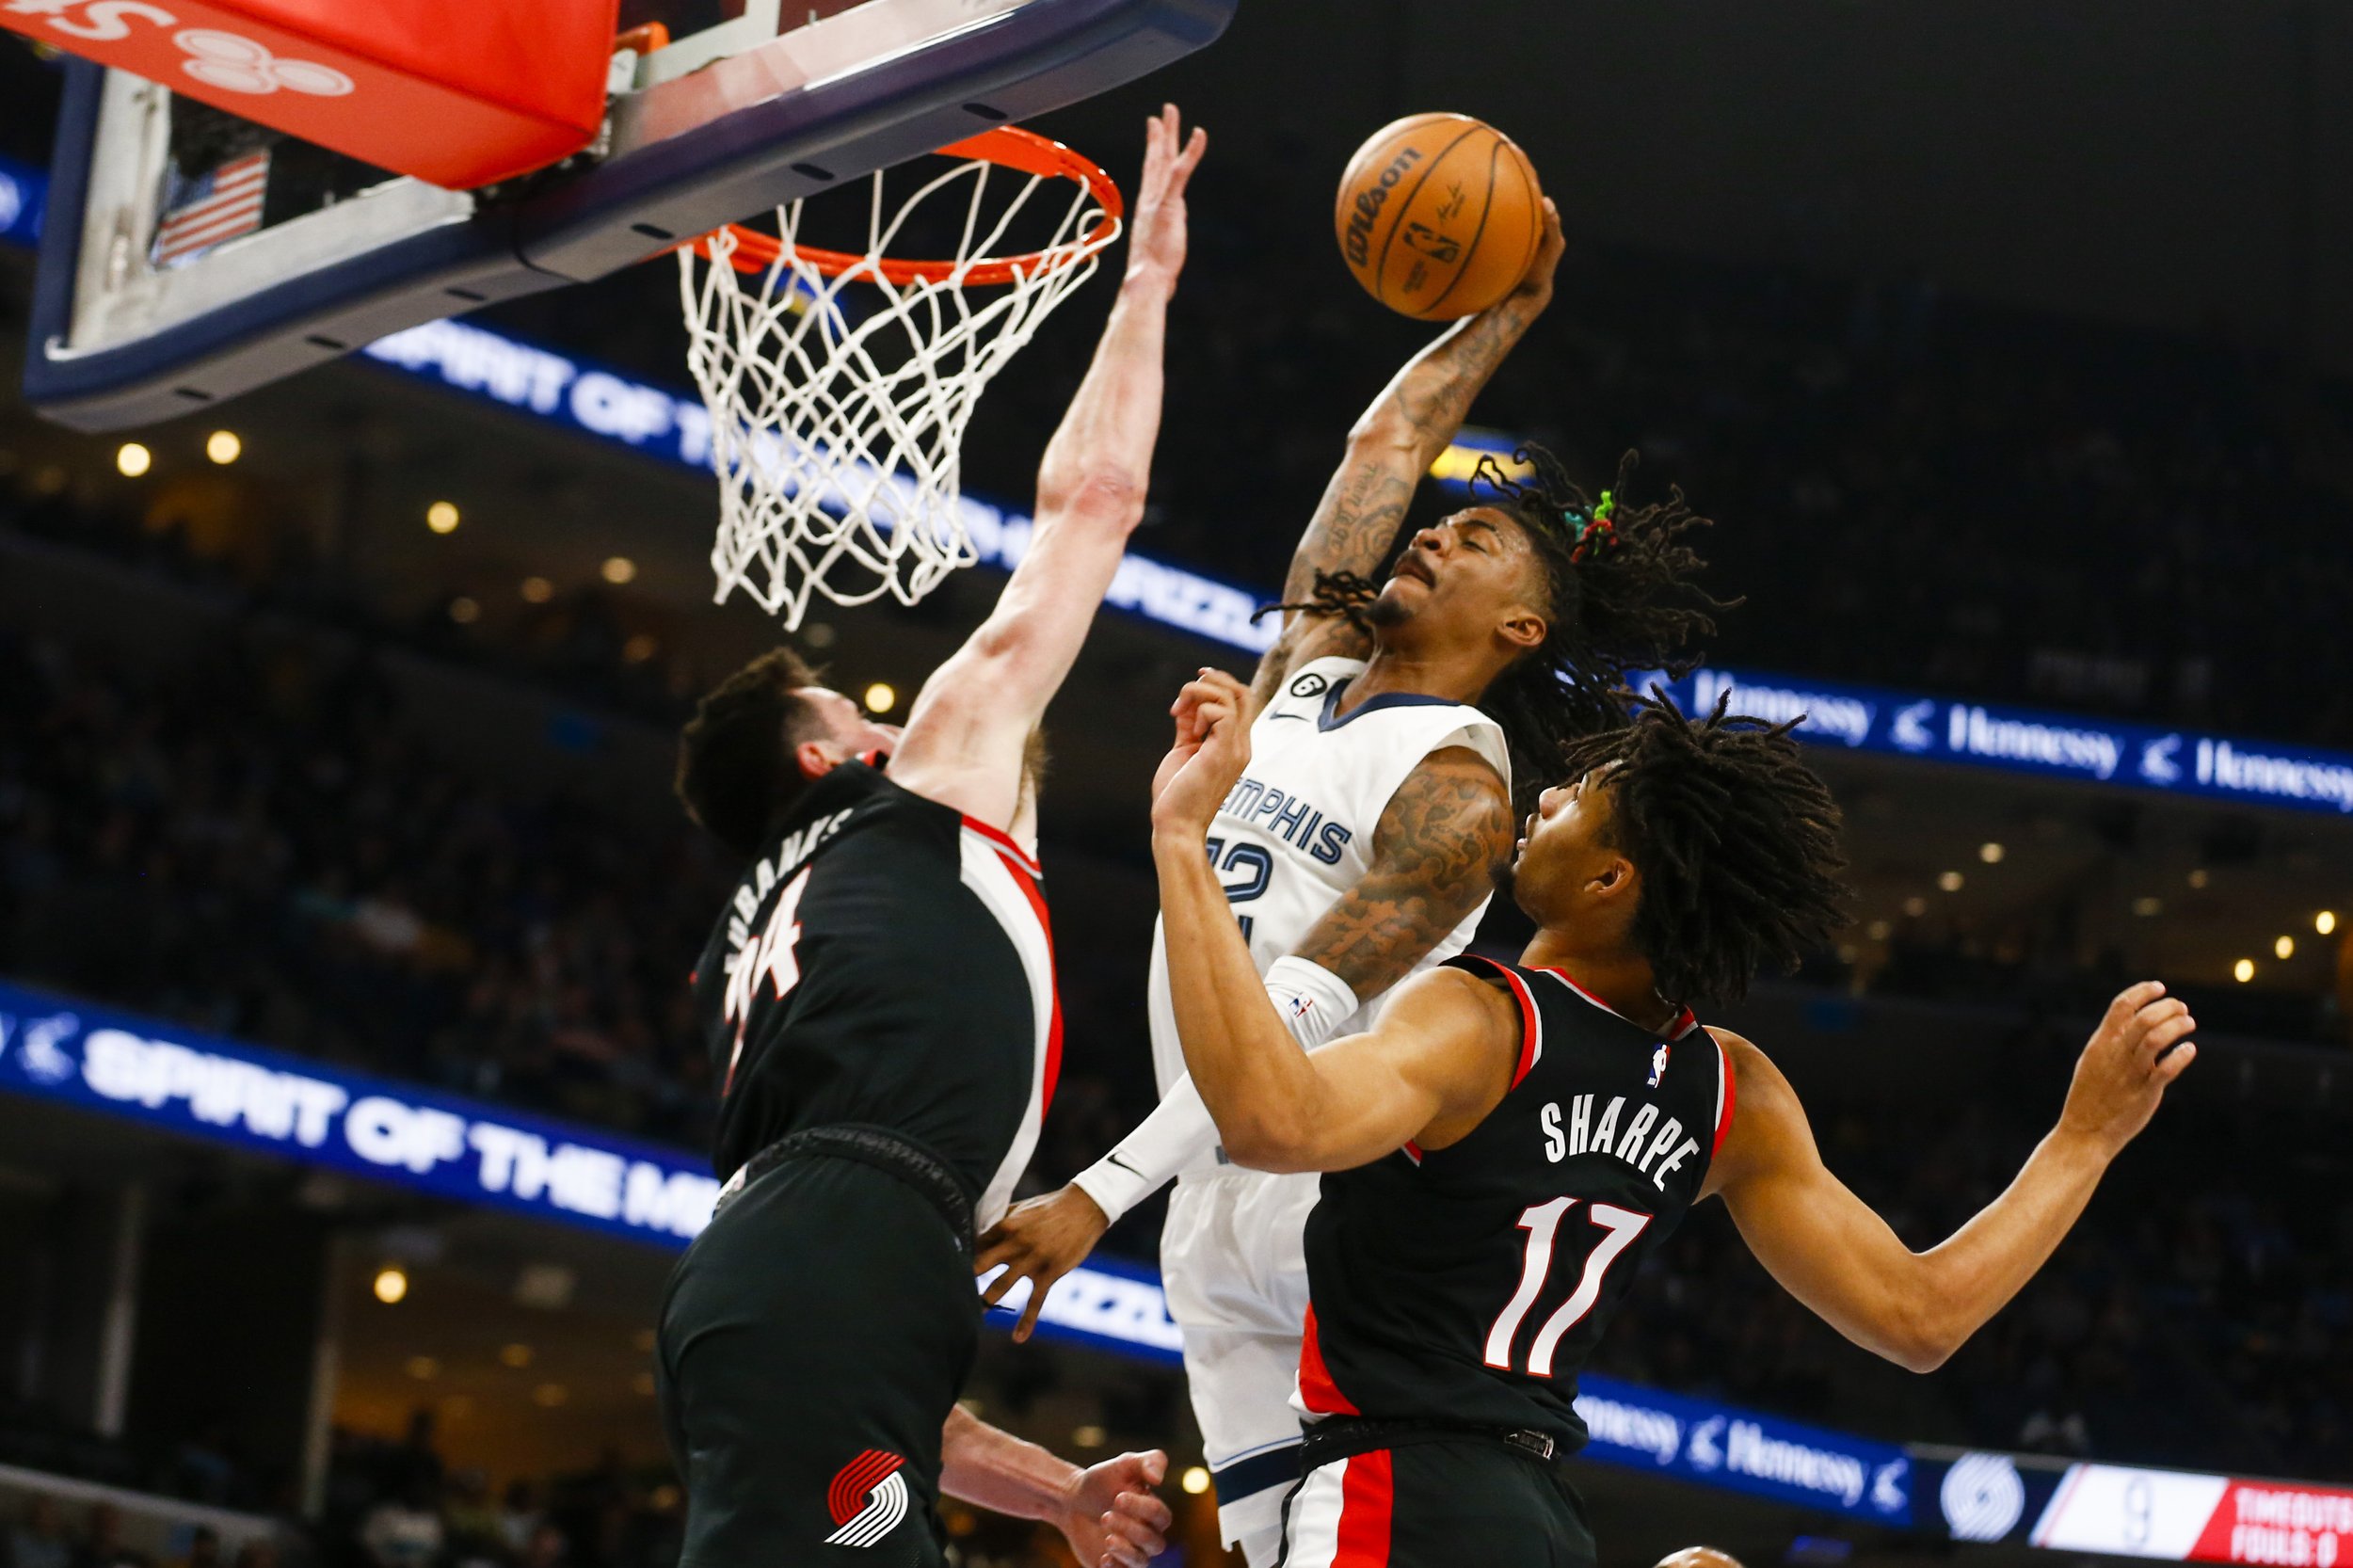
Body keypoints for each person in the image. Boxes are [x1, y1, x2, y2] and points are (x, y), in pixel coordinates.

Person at [978, 206, 1721, 1562]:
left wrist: (1099, 1185)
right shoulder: (1304, 678)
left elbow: (1302, 1034)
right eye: (1445, 524)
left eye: (1480, 541)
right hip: (1210, 1201)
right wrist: (1504, 313)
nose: (1433, 535)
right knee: (1271, 1548)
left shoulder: (1461, 788)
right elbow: (1381, 449)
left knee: (1363, 1525)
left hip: (1324, 1184)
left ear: (1522, 626)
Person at [1147, 672, 2198, 1568]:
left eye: (1577, 800)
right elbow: (1921, 1320)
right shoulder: (1729, 1090)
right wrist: (2083, 1138)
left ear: (1610, 879)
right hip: (1544, 1517)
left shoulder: (1482, 1019)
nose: (1547, 792)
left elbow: (1267, 1120)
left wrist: (1183, 839)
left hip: (1393, 1493)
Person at [653, 106, 1209, 1568]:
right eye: (864, 715)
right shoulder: (911, 790)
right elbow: (1093, 500)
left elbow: (885, 1416)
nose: (908, 724)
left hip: (796, 1281)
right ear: (830, 757)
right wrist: (1144, 285)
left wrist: (1065, 1496)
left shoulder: (770, 935)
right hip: (820, 1271)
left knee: (866, 1528)